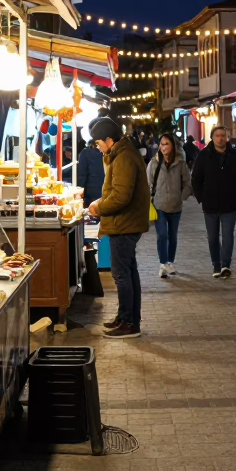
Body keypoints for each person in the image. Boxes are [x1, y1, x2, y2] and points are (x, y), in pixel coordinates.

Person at [87, 117, 151, 338]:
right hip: (124, 222)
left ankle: (129, 323)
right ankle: (127, 317)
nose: (97, 147)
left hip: (124, 223)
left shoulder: (123, 157)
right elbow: (116, 190)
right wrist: (100, 201)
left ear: (108, 139)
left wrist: (99, 208)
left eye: (98, 143)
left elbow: (121, 196)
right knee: (128, 272)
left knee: (121, 274)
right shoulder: (120, 154)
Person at [191, 125, 236, 278]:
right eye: (217, 135)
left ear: (227, 138)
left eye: (223, 135)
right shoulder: (204, 156)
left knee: (228, 236)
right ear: (212, 137)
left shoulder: (235, 155)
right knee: (213, 237)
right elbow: (196, 178)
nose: (220, 138)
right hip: (210, 205)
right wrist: (201, 197)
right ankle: (216, 265)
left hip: (229, 204)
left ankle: (225, 265)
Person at [147, 134, 192, 276]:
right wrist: (149, 199)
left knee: (173, 236)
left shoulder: (180, 163)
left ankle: (170, 262)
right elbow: (148, 183)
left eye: (166, 144)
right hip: (158, 205)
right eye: (161, 144)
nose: (163, 147)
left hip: (175, 205)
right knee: (162, 235)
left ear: (172, 145)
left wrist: (182, 196)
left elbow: (187, 183)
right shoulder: (154, 162)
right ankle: (163, 264)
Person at [77, 137, 106, 211]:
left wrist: (80, 192)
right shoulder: (108, 153)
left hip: (91, 194)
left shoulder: (85, 153)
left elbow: (82, 176)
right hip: (106, 193)